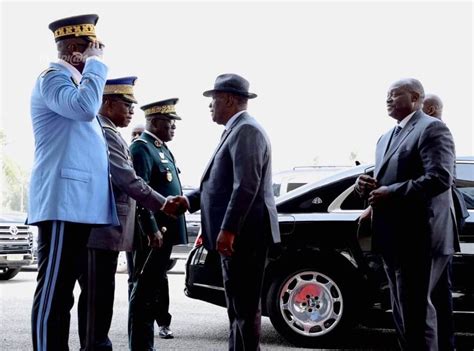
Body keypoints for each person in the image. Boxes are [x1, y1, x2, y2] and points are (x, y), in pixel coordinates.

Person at [28, 14, 119, 350]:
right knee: (55, 289)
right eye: (87, 48)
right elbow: (83, 109)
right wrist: (96, 68)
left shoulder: (77, 85)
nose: (94, 54)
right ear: (72, 50)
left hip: (78, 206)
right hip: (63, 202)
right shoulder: (52, 78)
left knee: (63, 289)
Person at [178, 73, 281, 350]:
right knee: (237, 308)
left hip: (244, 237)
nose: (210, 106)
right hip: (238, 237)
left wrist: (229, 230)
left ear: (230, 100)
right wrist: (188, 201)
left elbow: (246, 185)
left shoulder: (247, 131)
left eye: (213, 100)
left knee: (244, 309)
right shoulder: (236, 131)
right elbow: (218, 185)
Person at [76, 77, 180, 350]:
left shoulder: (110, 131)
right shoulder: (104, 132)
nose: (133, 111)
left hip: (107, 233)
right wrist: (163, 204)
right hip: (99, 233)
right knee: (97, 301)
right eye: (126, 104)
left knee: (101, 300)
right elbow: (128, 179)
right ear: (107, 104)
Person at [355, 78, 458, 350]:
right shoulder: (385, 137)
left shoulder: (432, 129)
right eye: (386, 95)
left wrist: (392, 192)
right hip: (392, 238)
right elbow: (384, 179)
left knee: (416, 317)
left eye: (394, 94)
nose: (388, 99)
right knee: (403, 314)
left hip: (421, 237)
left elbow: (439, 178)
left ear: (415, 98)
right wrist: (363, 185)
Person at [128, 98, 188, 350]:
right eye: (169, 122)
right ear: (153, 122)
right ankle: (141, 346)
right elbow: (141, 192)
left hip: (164, 233)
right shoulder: (141, 148)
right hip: (152, 234)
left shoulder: (161, 148)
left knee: (151, 292)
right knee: (142, 294)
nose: (173, 127)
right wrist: (150, 228)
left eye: (174, 122)